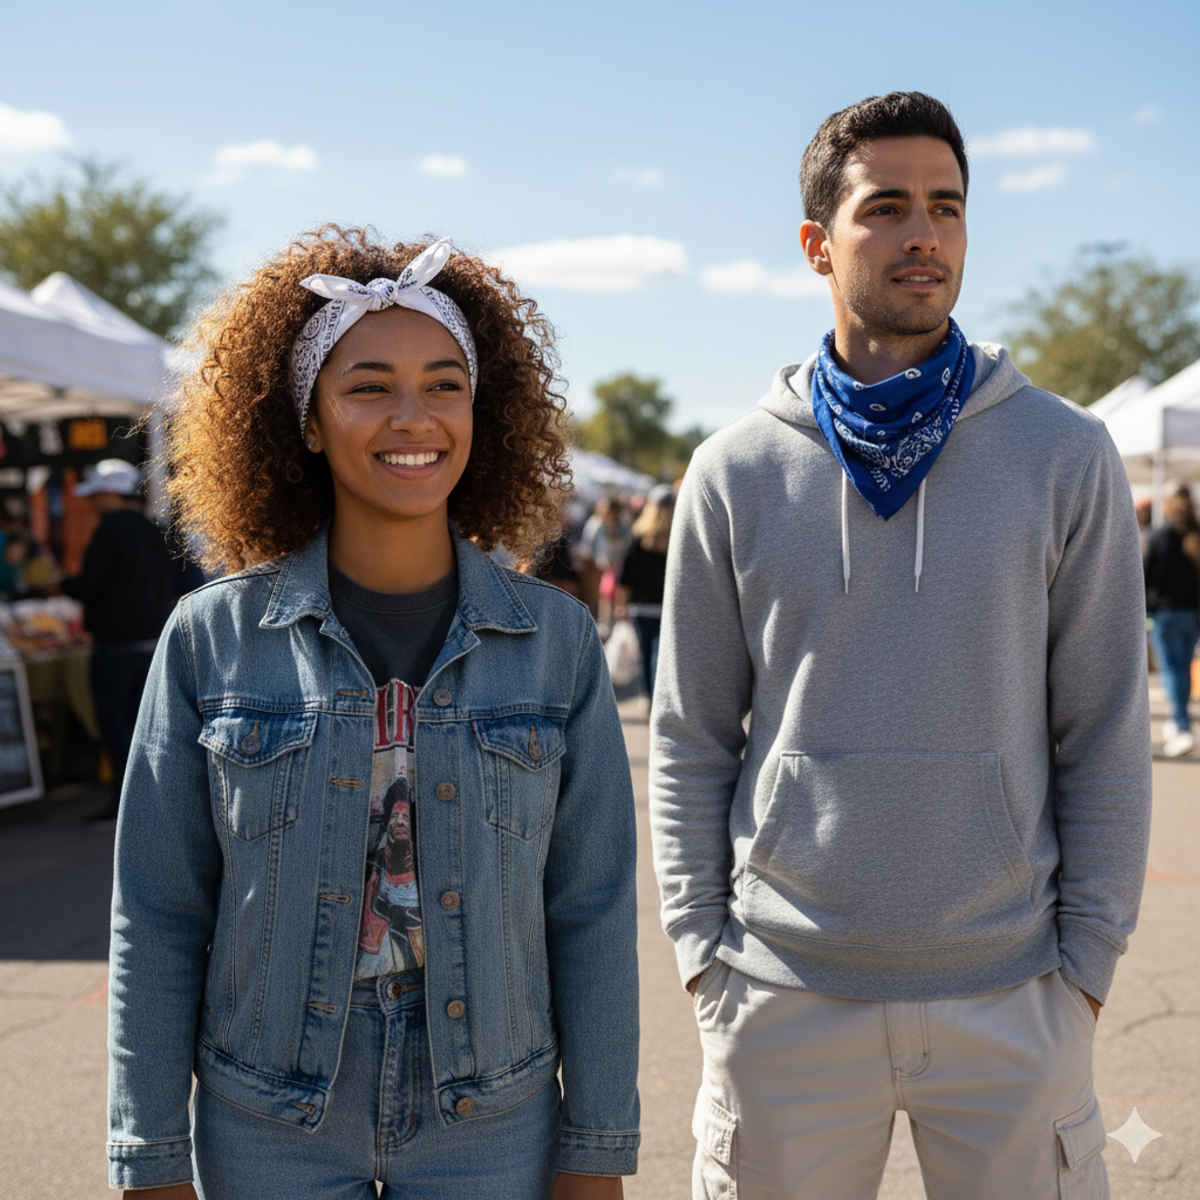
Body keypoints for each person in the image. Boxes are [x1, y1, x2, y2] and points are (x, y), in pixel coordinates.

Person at [650, 93, 1151, 1199]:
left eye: (947, 207)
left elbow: (1107, 728)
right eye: (887, 208)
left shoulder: (1064, 455)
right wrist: (702, 960)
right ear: (817, 243)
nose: (924, 234)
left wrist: (1087, 976)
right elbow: (689, 734)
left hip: (1015, 996)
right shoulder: (734, 471)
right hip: (783, 998)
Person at [106, 228, 639, 1198]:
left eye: (445, 383)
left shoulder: (558, 644)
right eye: (368, 386)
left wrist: (596, 1150)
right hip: (269, 1117)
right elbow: (158, 911)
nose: (413, 416)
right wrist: (149, 1158)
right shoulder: (209, 639)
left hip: (492, 1116)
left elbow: (593, 913)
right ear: (307, 420)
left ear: (483, 410)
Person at [61, 458, 196, 821]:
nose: (92, 503)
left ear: (109, 494)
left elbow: (89, 586)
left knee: (118, 727)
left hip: (117, 647)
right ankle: (156, 804)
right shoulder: (156, 530)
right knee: (151, 729)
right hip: (155, 644)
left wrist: (61, 585)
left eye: (96, 495)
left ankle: (126, 805)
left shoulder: (110, 532)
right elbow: (187, 581)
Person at [1144, 483, 1200, 757]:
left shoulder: (1161, 536)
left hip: (1165, 614)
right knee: (1182, 670)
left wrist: (1147, 607)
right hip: (1191, 614)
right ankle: (1179, 722)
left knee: (1172, 671)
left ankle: (1180, 725)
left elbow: (1146, 575)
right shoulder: (1194, 535)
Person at [617, 484, 674, 702]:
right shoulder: (679, 536)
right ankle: (660, 698)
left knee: (645, 654)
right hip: (668, 607)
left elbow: (625, 576)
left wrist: (621, 605)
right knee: (662, 656)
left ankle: (649, 697)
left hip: (641, 606)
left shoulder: (638, 536)